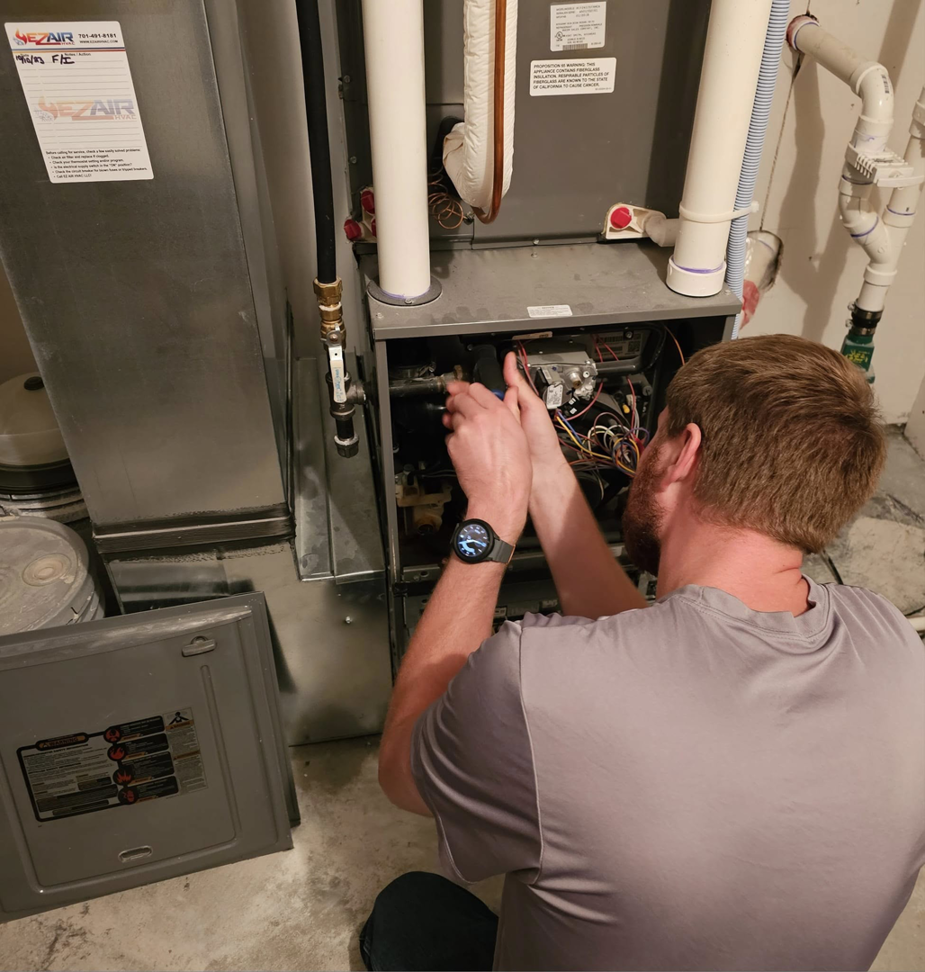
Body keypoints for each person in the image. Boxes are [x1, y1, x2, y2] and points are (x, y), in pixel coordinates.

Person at [361, 334, 925, 972]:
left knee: (409, 911)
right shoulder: (895, 646)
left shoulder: (534, 683)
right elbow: (655, 663)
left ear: (684, 452)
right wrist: (544, 469)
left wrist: (491, 515)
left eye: (654, 433)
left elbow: (402, 772)